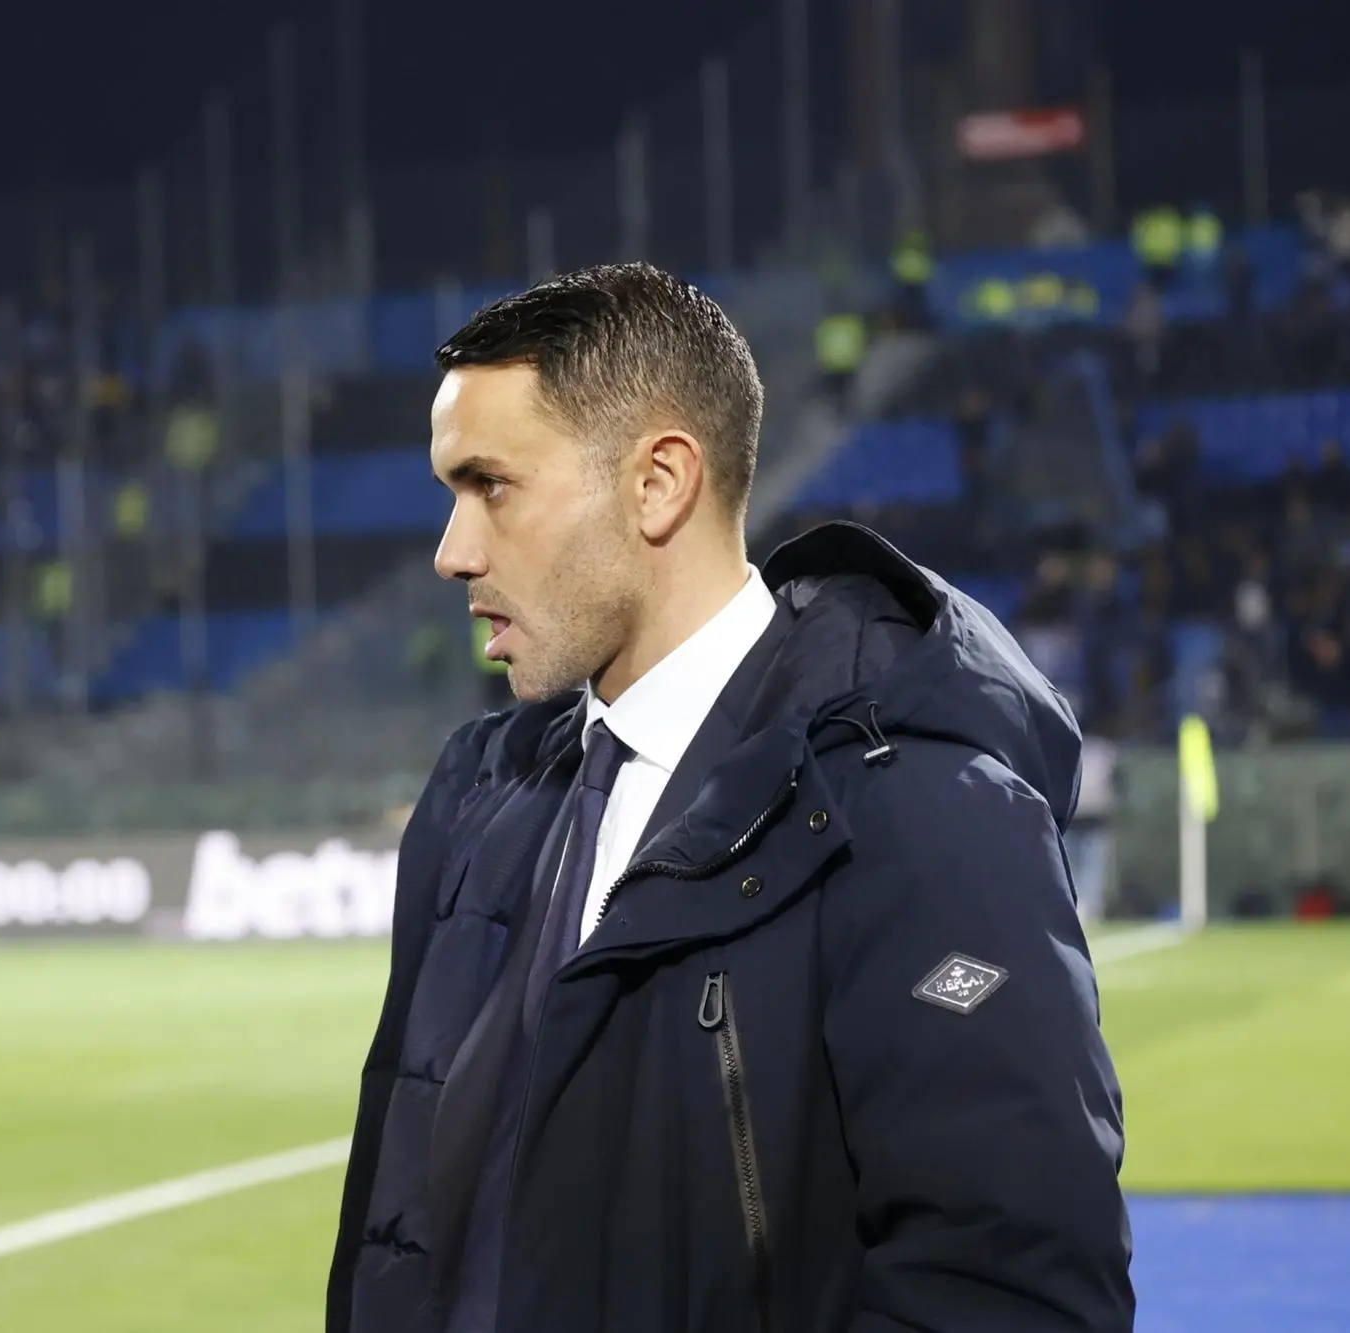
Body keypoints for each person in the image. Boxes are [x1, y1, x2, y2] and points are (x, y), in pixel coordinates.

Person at [329, 262, 1132, 1333]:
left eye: (492, 486)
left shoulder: (920, 809)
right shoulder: (477, 803)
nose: (451, 551)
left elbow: (1009, 1292)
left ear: (659, 481)